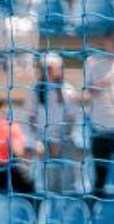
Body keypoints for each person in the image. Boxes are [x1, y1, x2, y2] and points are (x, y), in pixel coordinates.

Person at [24, 52, 81, 192]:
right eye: (48, 68)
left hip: (64, 142)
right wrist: (38, 141)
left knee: (66, 183)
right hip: (42, 143)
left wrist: (59, 141)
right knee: (46, 184)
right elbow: (31, 119)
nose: (53, 71)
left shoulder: (67, 90)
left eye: (56, 67)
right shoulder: (35, 90)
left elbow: (71, 120)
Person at [83, 31, 114, 197]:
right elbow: (90, 91)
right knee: (100, 176)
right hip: (101, 126)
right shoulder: (92, 62)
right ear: (105, 41)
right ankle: (96, 214)